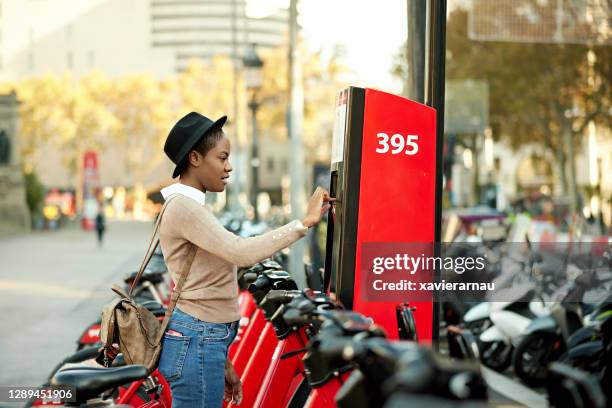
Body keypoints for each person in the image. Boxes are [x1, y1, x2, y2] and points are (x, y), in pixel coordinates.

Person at [158, 112, 331, 408]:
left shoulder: (190, 206)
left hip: (203, 339)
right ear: (196, 158)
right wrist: (303, 223)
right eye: (222, 158)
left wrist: (220, 357)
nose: (229, 167)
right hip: (198, 339)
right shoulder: (184, 208)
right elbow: (240, 251)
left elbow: (205, 282)